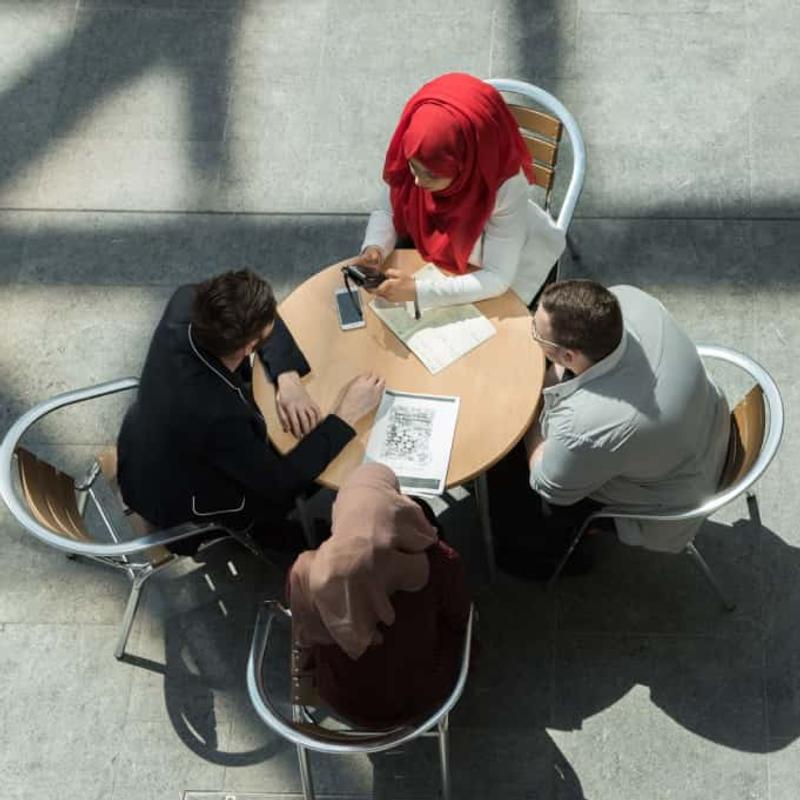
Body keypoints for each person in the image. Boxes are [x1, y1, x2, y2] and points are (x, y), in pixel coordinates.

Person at [117, 269, 384, 554]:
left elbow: (262, 317)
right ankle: (273, 536)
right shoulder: (218, 415)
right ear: (247, 348)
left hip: (143, 447)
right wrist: (345, 416)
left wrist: (288, 375)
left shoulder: (189, 303)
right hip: (177, 500)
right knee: (307, 472)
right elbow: (279, 483)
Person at [488, 279, 731, 579]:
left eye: (537, 333)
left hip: (670, 497)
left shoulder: (586, 427)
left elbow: (549, 485)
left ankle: (530, 554)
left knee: (504, 461)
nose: (532, 335)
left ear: (569, 357)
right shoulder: (628, 298)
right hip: (708, 425)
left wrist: (527, 411)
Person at [352, 72, 565, 312]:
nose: (417, 182)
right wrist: (375, 248)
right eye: (414, 166)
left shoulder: (504, 187)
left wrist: (418, 291)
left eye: (432, 174)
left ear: (467, 166)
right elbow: (388, 207)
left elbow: (497, 277)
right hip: (437, 252)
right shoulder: (418, 150)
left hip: (487, 259)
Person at [288, 463, 471, 727]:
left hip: (340, 697)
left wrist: (302, 700)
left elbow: (301, 642)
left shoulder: (305, 572)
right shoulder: (439, 563)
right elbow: (459, 618)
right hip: (422, 696)